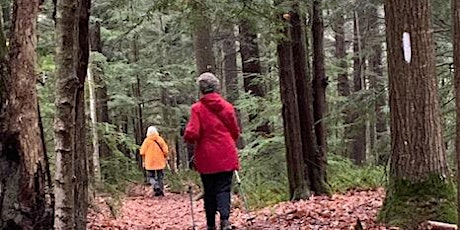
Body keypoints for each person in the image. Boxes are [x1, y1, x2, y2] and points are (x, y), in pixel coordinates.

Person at [184, 72, 240, 230]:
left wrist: (187, 135)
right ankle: (224, 220)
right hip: (226, 152)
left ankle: (210, 224)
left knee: (209, 190)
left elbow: (193, 133)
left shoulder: (197, 109)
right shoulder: (227, 107)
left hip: (207, 156)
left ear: (201, 90)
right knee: (224, 188)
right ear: (217, 87)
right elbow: (235, 131)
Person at [140, 126, 169, 197]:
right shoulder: (160, 139)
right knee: (160, 176)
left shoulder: (146, 141)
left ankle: (155, 186)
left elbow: (142, 152)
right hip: (160, 161)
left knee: (150, 177)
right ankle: (160, 191)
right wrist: (165, 156)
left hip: (149, 161)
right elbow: (165, 150)